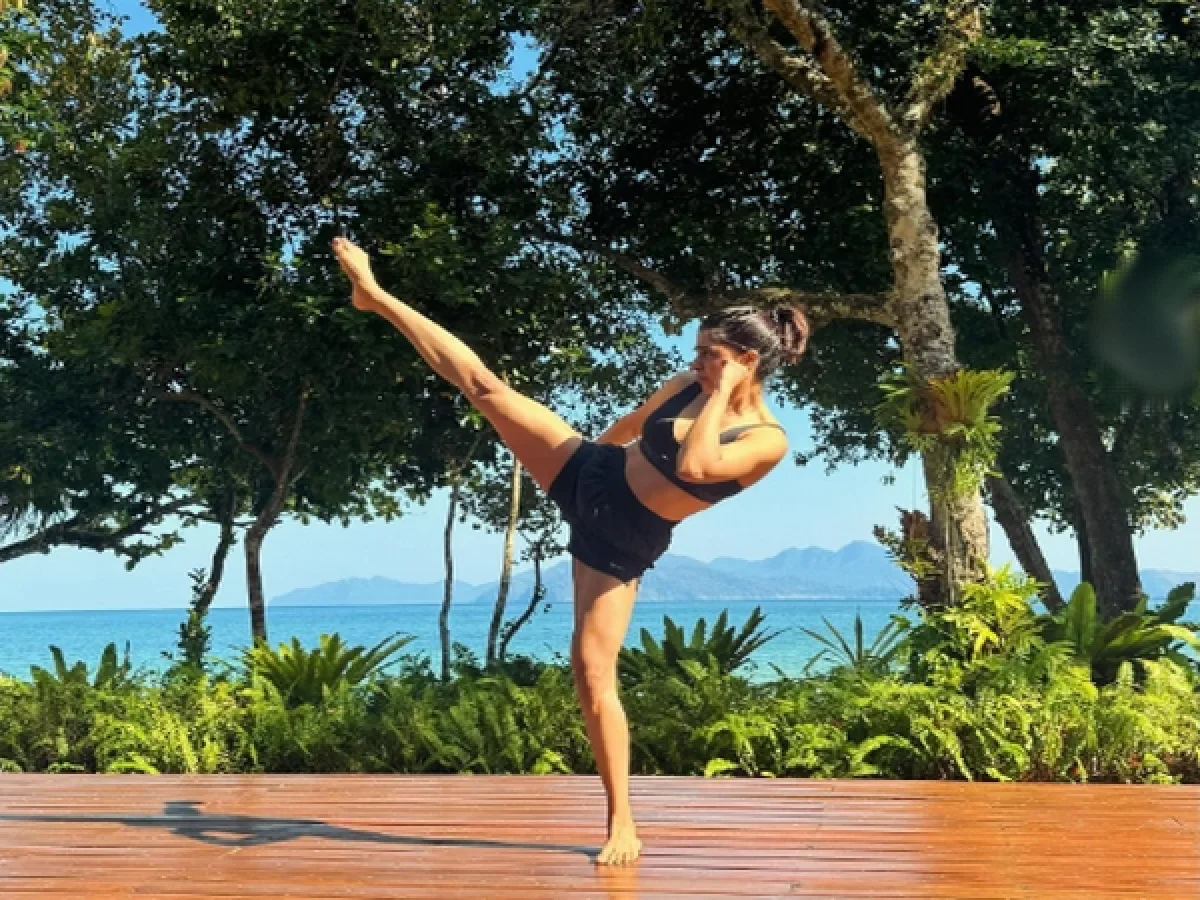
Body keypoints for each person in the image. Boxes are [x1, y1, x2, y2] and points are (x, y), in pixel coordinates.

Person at [331, 236, 808, 865]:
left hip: (623, 537)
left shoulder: (766, 440)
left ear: (746, 360)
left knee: (590, 672)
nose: (695, 363)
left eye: (709, 356)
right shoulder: (685, 385)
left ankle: (621, 820)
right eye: (696, 352)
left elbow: (695, 467)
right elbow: (632, 426)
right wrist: (574, 459)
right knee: (485, 389)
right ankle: (376, 296)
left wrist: (722, 393)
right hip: (592, 474)